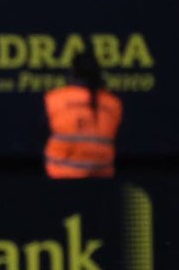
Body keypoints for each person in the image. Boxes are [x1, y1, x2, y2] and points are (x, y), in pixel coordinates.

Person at [42, 49, 122, 179]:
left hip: (60, 177)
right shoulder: (113, 103)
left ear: (72, 72)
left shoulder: (54, 99)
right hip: (102, 179)